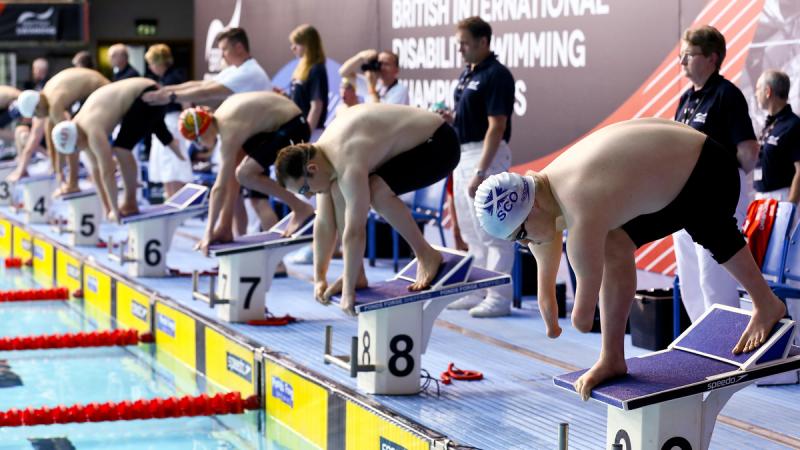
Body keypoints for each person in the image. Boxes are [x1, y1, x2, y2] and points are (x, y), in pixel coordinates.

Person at [473, 118, 787, 401]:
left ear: (533, 210)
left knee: (710, 230)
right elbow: (545, 252)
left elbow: (583, 318)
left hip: (711, 171)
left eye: (519, 236)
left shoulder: (578, 202)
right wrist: (550, 316)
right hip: (687, 163)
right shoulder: (542, 190)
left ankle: (765, 303)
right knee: (617, 242)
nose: (525, 243)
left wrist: (566, 321)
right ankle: (613, 358)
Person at [275, 104, 460, 315]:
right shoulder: (322, 157)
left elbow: (355, 231)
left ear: (312, 169)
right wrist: (319, 279)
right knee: (336, 190)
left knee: (377, 193)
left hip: (439, 143)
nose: (308, 196)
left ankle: (427, 255)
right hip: (411, 146)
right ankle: (357, 276)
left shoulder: (346, 160)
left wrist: (348, 295)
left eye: (305, 189)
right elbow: (324, 223)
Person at [673, 25, 759, 322]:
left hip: (716, 199)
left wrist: (724, 185)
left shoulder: (727, 95)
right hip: (684, 200)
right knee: (690, 279)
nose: (682, 61)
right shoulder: (686, 99)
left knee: (714, 276)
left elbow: (748, 152)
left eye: (689, 55)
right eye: (681, 55)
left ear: (711, 57)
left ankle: (726, 348)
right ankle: (702, 343)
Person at [440, 16, 516, 317]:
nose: (460, 49)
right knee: (472, 232)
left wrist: (482, 171)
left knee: (493, 230)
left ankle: (499, 298)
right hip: (463, 152)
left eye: (465, 44)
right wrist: (453, 118)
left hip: (487, 155)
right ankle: (476, 291)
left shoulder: (498, 75)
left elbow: (496, 127)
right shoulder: (468, 73)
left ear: (483, 42)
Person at [178, 92, 314, 254]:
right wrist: (220, 225)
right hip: (280, 124)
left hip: (293, 126)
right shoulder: (223, 119)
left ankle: (299, 207)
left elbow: (218, 188)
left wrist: (207, 232)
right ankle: (226, 227)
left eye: (197, 142)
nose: (201, 146)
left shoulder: (228, 131)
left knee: (245, 175)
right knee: (237, 169)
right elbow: (228, 182)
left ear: (202, 133)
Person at [49, 77, 184, 221]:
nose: (77, 152)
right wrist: (108, 209)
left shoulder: (92, 131)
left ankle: (130, 203)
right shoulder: (79, 129)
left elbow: (108, 172)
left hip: (147, 94)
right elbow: (96, 171)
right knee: (154, 131)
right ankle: (179, 154)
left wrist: (116, 211)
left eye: (75, 148)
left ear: (76, 139)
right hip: (143, 91)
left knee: (121, 149)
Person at [10, 68, 110, 194]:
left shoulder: (54, 104)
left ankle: (75, 183)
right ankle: (94, 172)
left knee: (79, 136)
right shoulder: (46, 96)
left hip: (104, 93)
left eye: (37, 115)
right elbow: (50, 135)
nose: (39, 118)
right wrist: (56, 168)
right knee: (78, 134)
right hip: (97, 91)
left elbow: (70, 142)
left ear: (37, 108)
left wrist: (65, 176)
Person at [142, 28, 271, 106]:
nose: (221, 55)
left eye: (224, 49)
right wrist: (165, 90)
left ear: (239, 48)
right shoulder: (235, 69)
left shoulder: (249, 72)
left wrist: (170, 97)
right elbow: (203, 85)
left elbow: (206, 93)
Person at [145, 44, 192, 198]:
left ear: (159, 62)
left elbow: (186, 102)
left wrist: (187, 127)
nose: (150, 67)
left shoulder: (174, 78)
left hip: (174, 124)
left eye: (151, 63)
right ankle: (170, 199)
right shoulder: (163, 79)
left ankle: (179, 202)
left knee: (175, 166)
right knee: (165, 166)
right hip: (164, 124)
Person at [753, 70, 800, 203]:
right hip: (761, 198)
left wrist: (790, 206)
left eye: (758, 89)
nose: (756, 94)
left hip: (782, 198)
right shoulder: (770, 124)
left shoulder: (793, 125)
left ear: (768, 91)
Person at [288, 24, 328, 139]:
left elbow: (316, 106)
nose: (293, 48)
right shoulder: (301, 68)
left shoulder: (317, 69)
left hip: (312, 133)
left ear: (308, 45)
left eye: (297, 43)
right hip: (299, 130)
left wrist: (306, 134)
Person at [338, 49, 409, 105]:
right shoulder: (372, 83)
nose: (382, 67)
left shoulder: (400, 90)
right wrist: (360, 56)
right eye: (380, 63)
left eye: (386, 64)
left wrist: (371, 89)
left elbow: (379, 116)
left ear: (396, 70)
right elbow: (343, 73)